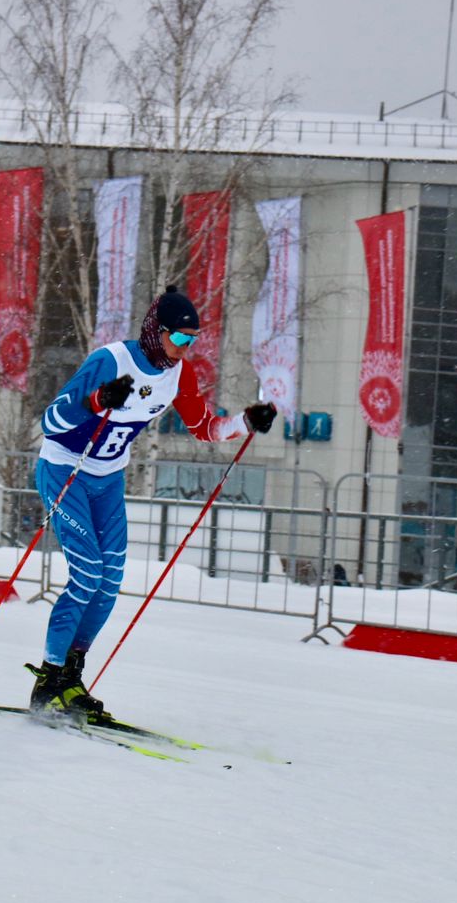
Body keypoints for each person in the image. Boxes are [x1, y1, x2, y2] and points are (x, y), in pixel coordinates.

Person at [29, 286, 278, 720]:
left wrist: (245, 421)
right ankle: (47, 682)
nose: (185, 349)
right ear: (154, 332)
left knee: (109, 582)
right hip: (65, 469)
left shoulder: (179, 374)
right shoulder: (111, 361)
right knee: (87, 574)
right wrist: (97, 401)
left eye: (193, 341)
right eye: (179, 339)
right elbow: (51, 422)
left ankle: (71, 677)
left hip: (107, 479)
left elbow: (203, 427)